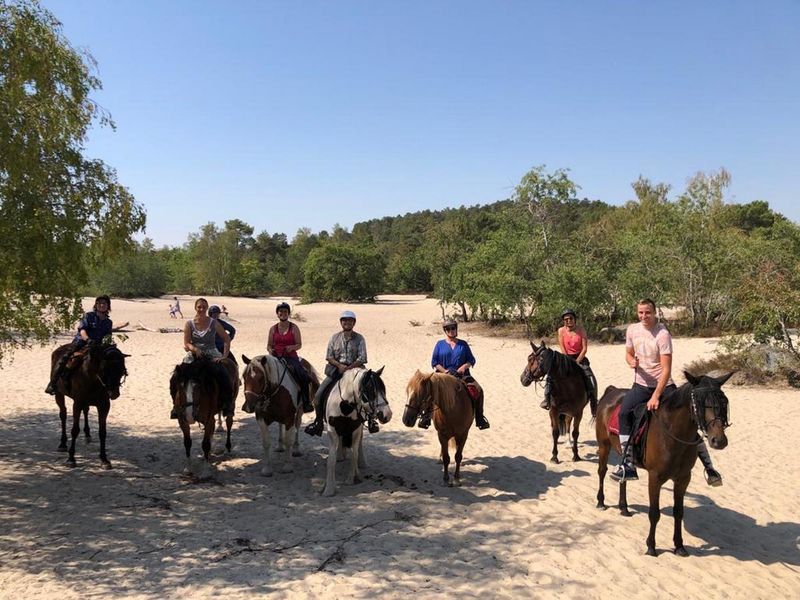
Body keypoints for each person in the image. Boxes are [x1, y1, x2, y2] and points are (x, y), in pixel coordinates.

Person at [611, 298, 722, 486]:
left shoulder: (662, 334)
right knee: (623, 414)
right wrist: (630, 361)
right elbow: (628, 353)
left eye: (647, 312)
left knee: (690, 417)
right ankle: (627, 463)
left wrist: (656, 395)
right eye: (640, 312)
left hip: (664, 386)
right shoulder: (632, 330)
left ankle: (709, 467)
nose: (644, 316)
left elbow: (666, 369)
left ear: (655, 313)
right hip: (640, 385)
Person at [304, 310, 367, 437]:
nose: (347, 322)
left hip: (355, 371)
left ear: (354, 323)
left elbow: (362, 357)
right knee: (318, 396)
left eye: (350, 320)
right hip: (337, 371)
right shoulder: (334, 338)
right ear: (341, 322)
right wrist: (339, 365)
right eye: (344, 320)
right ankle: (318, 422)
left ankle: (370, 421)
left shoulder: (360, 338)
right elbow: (329, 356)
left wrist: (349, 367)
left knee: (369, 393)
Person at [170, 297, 233, 419]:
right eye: (199, 307)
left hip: (211, 352)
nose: (201, 309)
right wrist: (194, 349)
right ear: (195, 308)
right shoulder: (189, 323)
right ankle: (175, 406)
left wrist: (224, 356)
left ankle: (227, 405)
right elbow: (187, 343)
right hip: (195, 353)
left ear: (207, 308)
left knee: (224, 375)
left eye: (204, 307)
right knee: (176, 376)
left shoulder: (213, 323)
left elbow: (226, 339)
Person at [423, 318, 490, 430]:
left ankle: (480, 418)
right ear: (445, 330)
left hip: (461, 375)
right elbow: (434, 362)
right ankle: (426, 417)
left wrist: (464, 367)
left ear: (456, 329)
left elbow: (471, 360)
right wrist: (444, 371)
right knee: (429, 390)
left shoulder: (463, 344)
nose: (451, 330)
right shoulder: (439, 344)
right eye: (448, 329)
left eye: (453, 328)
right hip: (443, 375)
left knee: (478, 389)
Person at [45, 295, 114, 395]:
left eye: (104, 303)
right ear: (96, 305)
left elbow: (107, 335)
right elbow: (82, 330)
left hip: (98, 346)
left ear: (108, 306)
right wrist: (88, 339)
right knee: (65, 358)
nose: (102, 305)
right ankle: (53, 383)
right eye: (99, 303)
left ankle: (110, 386)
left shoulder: (108, 322)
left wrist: (108, 343)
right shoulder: (89, 316)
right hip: (82, 342)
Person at [540, 309, 597, 411]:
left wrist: (577, 361)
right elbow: (562, 347)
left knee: (589, 375)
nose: (568, 321)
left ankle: (593, 400)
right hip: (566, 357)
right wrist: (567, 360)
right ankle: (547, 399)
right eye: (566, 319)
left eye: (570, 318)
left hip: (580, 357)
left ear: (574, 319)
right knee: (550, 374)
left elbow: (584, 349)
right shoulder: (561, 331)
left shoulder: (581, 330)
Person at [267, 302, 313, 412]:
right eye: (281, 312)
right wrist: (270, 350)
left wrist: (292, 347)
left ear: (288, 314)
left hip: (290, 357)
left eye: (285, 312)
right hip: (275, 357)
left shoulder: (294, 327)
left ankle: (306, 402)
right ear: (277, 314)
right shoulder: (273, 329)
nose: (283, 313)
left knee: (303, 375)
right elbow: (269, 345)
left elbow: (299, 344)